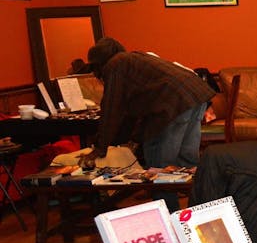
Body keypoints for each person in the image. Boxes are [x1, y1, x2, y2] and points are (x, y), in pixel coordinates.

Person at [79, 37, 216, 178]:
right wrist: (123, 139)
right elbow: (128, 113)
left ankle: (165, 199)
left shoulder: (115, 64)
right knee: (188, 163)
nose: (95, 74)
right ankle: (195, 198)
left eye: (94, 69)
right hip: (196, 96)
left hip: (174, 103)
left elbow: (111, 109)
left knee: (159, 168)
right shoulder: (135, 59)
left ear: (100, 63)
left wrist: (100, 148)